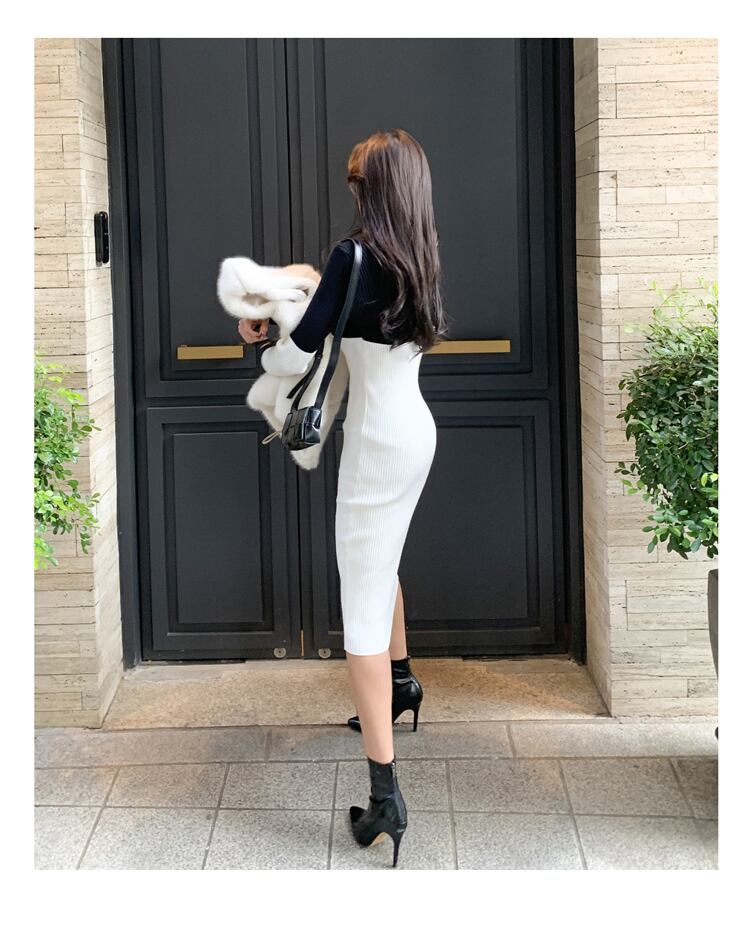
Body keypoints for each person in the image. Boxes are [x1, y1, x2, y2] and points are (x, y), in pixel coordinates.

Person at [239, 128, 448, 867]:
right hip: (416, 431)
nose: (351, 193)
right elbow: (343, 317)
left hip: (377, 446)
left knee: (359, 607)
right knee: (380, 565)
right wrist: (299, 291)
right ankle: (402, 682)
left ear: (370, 190)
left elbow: (298, 352)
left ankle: (385, 795)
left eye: (356, 182)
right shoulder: (418, 252)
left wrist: (257, 330)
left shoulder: (353, 256)